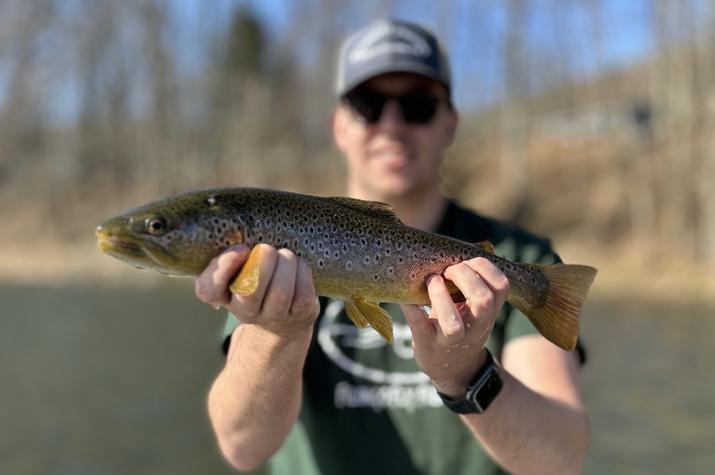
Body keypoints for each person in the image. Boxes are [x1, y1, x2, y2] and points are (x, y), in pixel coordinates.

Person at [196, 18, 589, 474]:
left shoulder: (523, 261)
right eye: (368, 104)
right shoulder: (273, 252)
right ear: (338, 126)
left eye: (418, 106)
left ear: (450, 124)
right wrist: (274, 334)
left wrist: (467, 374)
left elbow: (561, 461)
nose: (392, 124)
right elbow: (241, 449)